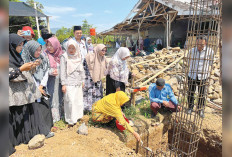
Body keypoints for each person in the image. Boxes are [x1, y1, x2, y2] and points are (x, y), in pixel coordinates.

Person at [9, 34, 41, 155]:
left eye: (22, 44)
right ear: (11, 46)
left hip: (23, 94)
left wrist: (32, 66)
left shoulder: (18, 57)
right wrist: (21, 69)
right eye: (19, 45)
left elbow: (25, 73)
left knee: (24, 114)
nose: (21, 47)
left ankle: (25, 137)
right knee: (16, 116)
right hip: (14, 95)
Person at [21, 40, 54, 138]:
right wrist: (36, 88)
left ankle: (46, 128)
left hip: (42, 87)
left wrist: (41, 86)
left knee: (43, 106)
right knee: (34, 109)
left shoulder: (43, 58)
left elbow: (46, 71)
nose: (39, 52)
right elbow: (27, 76)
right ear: (30, 50)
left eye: (40, 50)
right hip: (30, 89)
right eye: (36, 50)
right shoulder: (24, 61)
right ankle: (37, 131)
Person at [187, 36, 214, 118]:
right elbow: (188, 61)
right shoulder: (191, 51)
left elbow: (210, 63)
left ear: (205, 43)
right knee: (191, 92)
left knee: (202, 93)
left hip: (203, 76)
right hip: (192, 75)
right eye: (198, 44)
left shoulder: (210, 51)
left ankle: (200, 109)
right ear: (196, 43)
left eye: (201, 44)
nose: (199, 46)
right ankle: (190, 108)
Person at [60, 39, 85, 127]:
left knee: (77, 101)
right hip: (68, 82)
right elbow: (62, 71)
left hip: (78, 82)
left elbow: (82, 69)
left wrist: (83, 80)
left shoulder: (78, 56)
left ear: (76, 48)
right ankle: (71, 120)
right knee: (70, 101)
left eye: (73, 48)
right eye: (69, 48)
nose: (71, 50)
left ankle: (78, 117)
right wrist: (63, 84)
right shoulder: (64, 57)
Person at [83, 44, 108, 111]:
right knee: (89, 93)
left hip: (98, 79)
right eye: (102, 50)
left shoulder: (103, 58)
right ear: (98, 49)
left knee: (97, 93)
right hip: (89, 78)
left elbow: (106, 68)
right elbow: (84, 67)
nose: (104, 52)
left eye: (105, 50)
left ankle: (96, 108)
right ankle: (88, 109)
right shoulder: (90, 56)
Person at [45, 36, 64, 122]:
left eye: (51, 45)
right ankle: (54, 117)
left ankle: (62, 115)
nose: (49, 47)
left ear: (56, 45)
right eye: (47, 45)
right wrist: (50, 72)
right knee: (53, 98)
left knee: (61, 97)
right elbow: (42, 69)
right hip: (51, 81)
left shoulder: (62, 55)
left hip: (61, 80)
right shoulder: (45, 55)